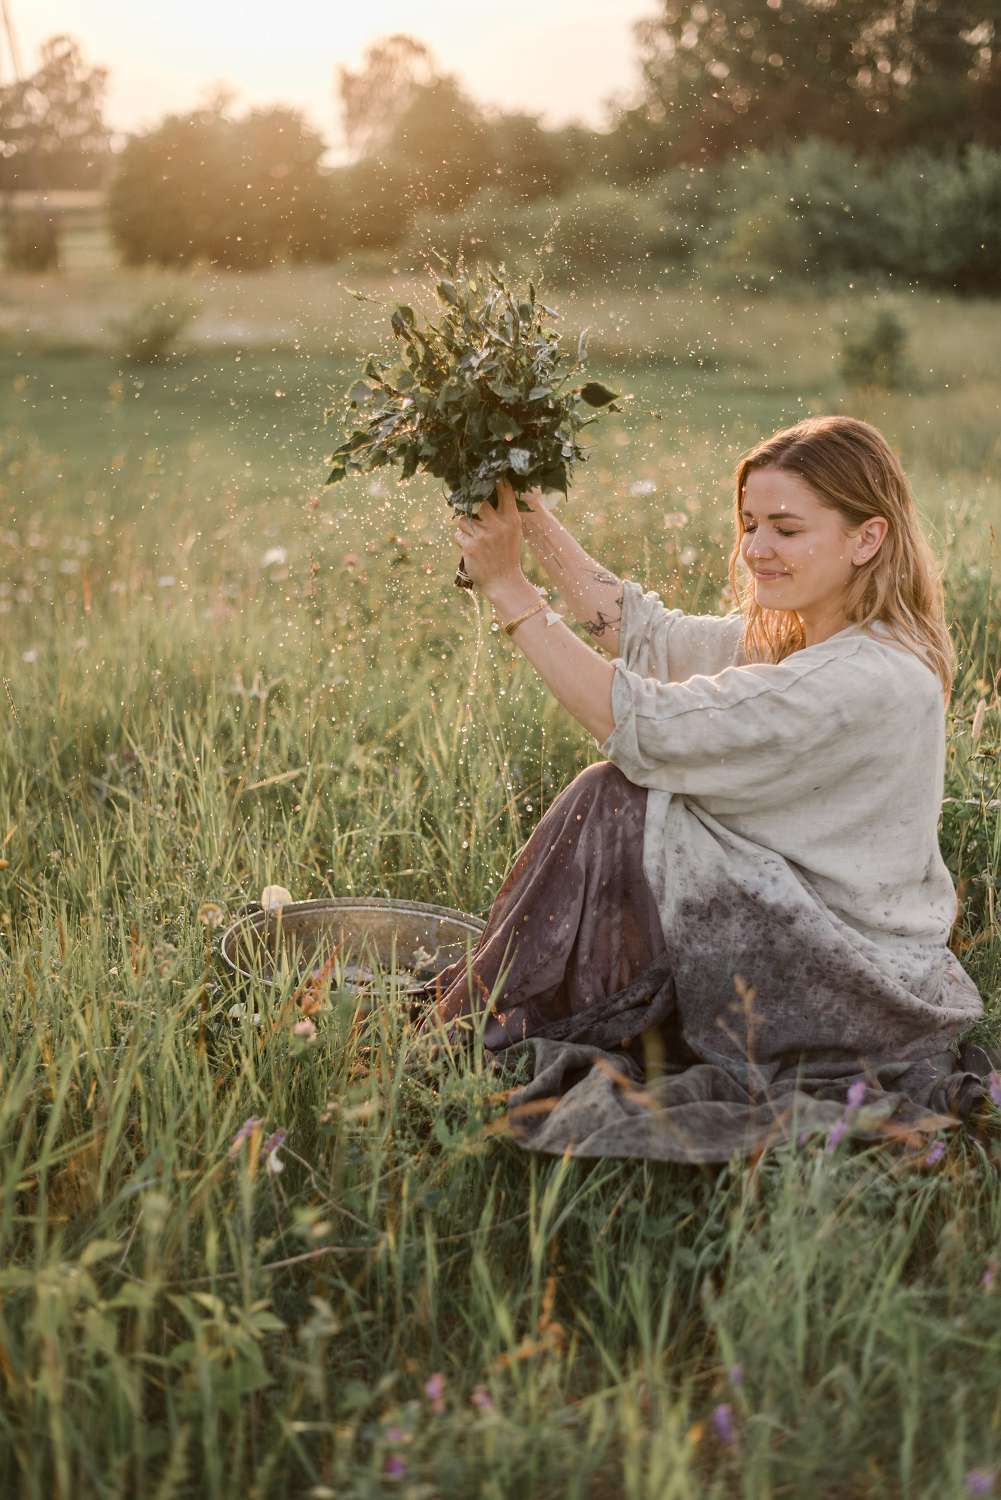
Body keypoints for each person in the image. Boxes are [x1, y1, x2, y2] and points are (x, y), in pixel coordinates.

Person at [417, 415, 995, 1162]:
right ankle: (492, 1007)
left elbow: (632, 721)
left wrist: (507, 586)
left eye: (786, 529)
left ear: (865, 538)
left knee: (614, 802)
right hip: (808, 930)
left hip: (843, 985)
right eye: (750, 523)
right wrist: (529, 513)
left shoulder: (862, 680)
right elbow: (650, 638)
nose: (756, 548)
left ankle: (467, 1034)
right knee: (624, 801)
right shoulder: (821, 636)